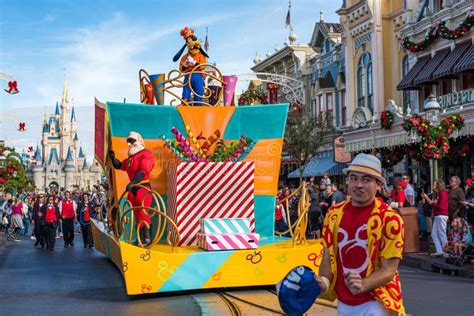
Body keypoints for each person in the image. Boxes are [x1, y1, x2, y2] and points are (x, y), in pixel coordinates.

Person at [314, 153, 405, 315]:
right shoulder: (333, 214)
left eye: (366, 179)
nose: (359, 185)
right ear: (347, 181)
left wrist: (363, 284)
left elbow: (389, 270)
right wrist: (325, 282)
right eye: (354, 178)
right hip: (344, 302)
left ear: (378, 184)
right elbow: (328, 257)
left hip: (377, 302)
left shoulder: (390, 219)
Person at [109, 131, 155, 246]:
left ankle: (147, 239)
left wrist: (133, 182)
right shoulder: (131, 158)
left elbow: (143, 171)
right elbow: (120, 166)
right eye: (128, 141)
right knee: (136, 214)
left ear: (138, 141)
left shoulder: (146, 154)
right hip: (133, 188)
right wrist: (113, 158)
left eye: (132, 141)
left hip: (142, 187)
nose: (129, 144)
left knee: (143, 213)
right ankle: (140, 238)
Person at [421, 179, 449, 257]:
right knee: (434, 234)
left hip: (441, 215)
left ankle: (446, 251)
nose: (433, 186)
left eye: (434, 184)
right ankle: (439, 250)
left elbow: (441, 206)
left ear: (438, 185)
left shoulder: (442, 193)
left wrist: (430, 201)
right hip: (438, 215)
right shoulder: (438, 194)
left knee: (442, 233)